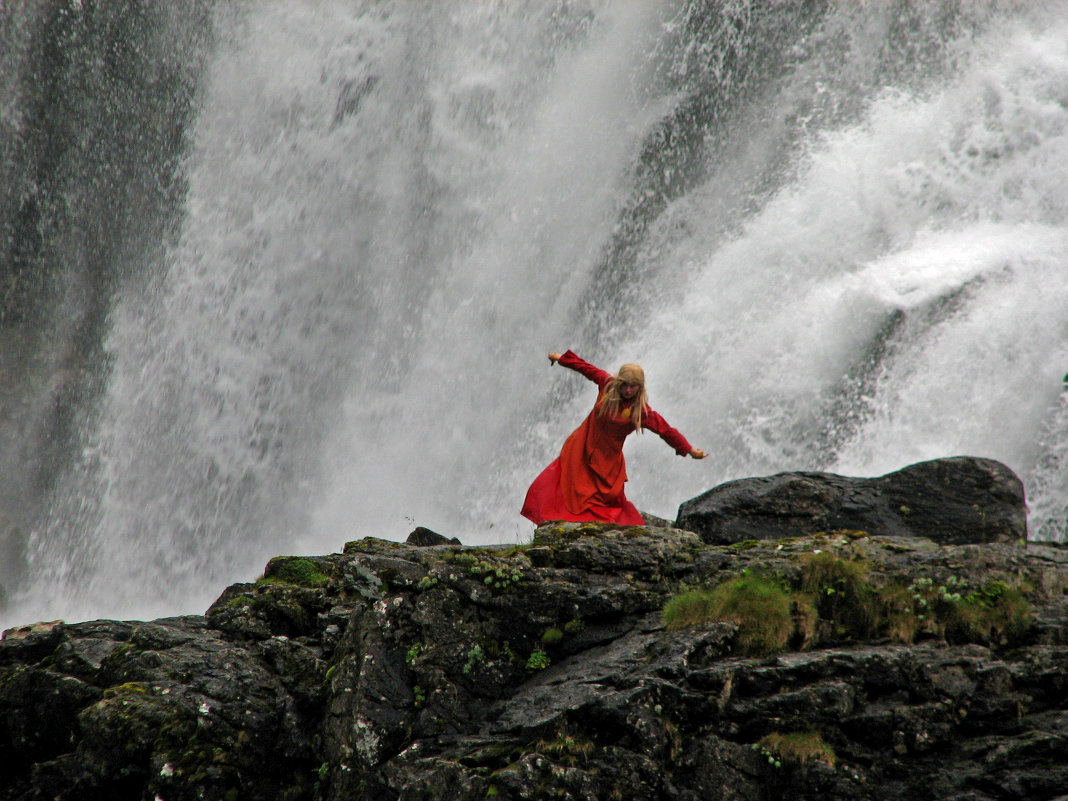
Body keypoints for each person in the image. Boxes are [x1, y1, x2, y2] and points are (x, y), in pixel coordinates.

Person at [521, 350, 706, 526]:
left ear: (640, 387)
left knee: (601, 503)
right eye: (624, 384)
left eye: (633, 386)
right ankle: (555, 522)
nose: (627, 390)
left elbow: (665, 430)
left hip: (608, 460)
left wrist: (689, 450)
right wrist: (560, 358)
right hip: (582, 444)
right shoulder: (607, 384)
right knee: (567, 488)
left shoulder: (640, 411)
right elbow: (585, 367)